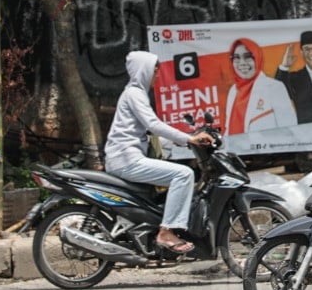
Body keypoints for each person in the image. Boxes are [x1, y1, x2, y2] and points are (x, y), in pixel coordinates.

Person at [104, 50, 214, 254]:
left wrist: (186, 139)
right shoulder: (134, 93)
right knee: (183, 175)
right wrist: (188, 138)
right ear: (143, 71)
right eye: (154, 71)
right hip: (127, 160)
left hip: (127, 157)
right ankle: (166, 232)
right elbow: (153, 124)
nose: (157, 76)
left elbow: (150, 132)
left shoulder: (135, 93)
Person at [224, 38, 298, 134]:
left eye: (248, 56)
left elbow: (290, 131)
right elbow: (228, 130)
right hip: (234, 148)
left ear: (258, 58)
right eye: (236, 57)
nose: (242, 63)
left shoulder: (274, 87)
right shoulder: (233, 91)